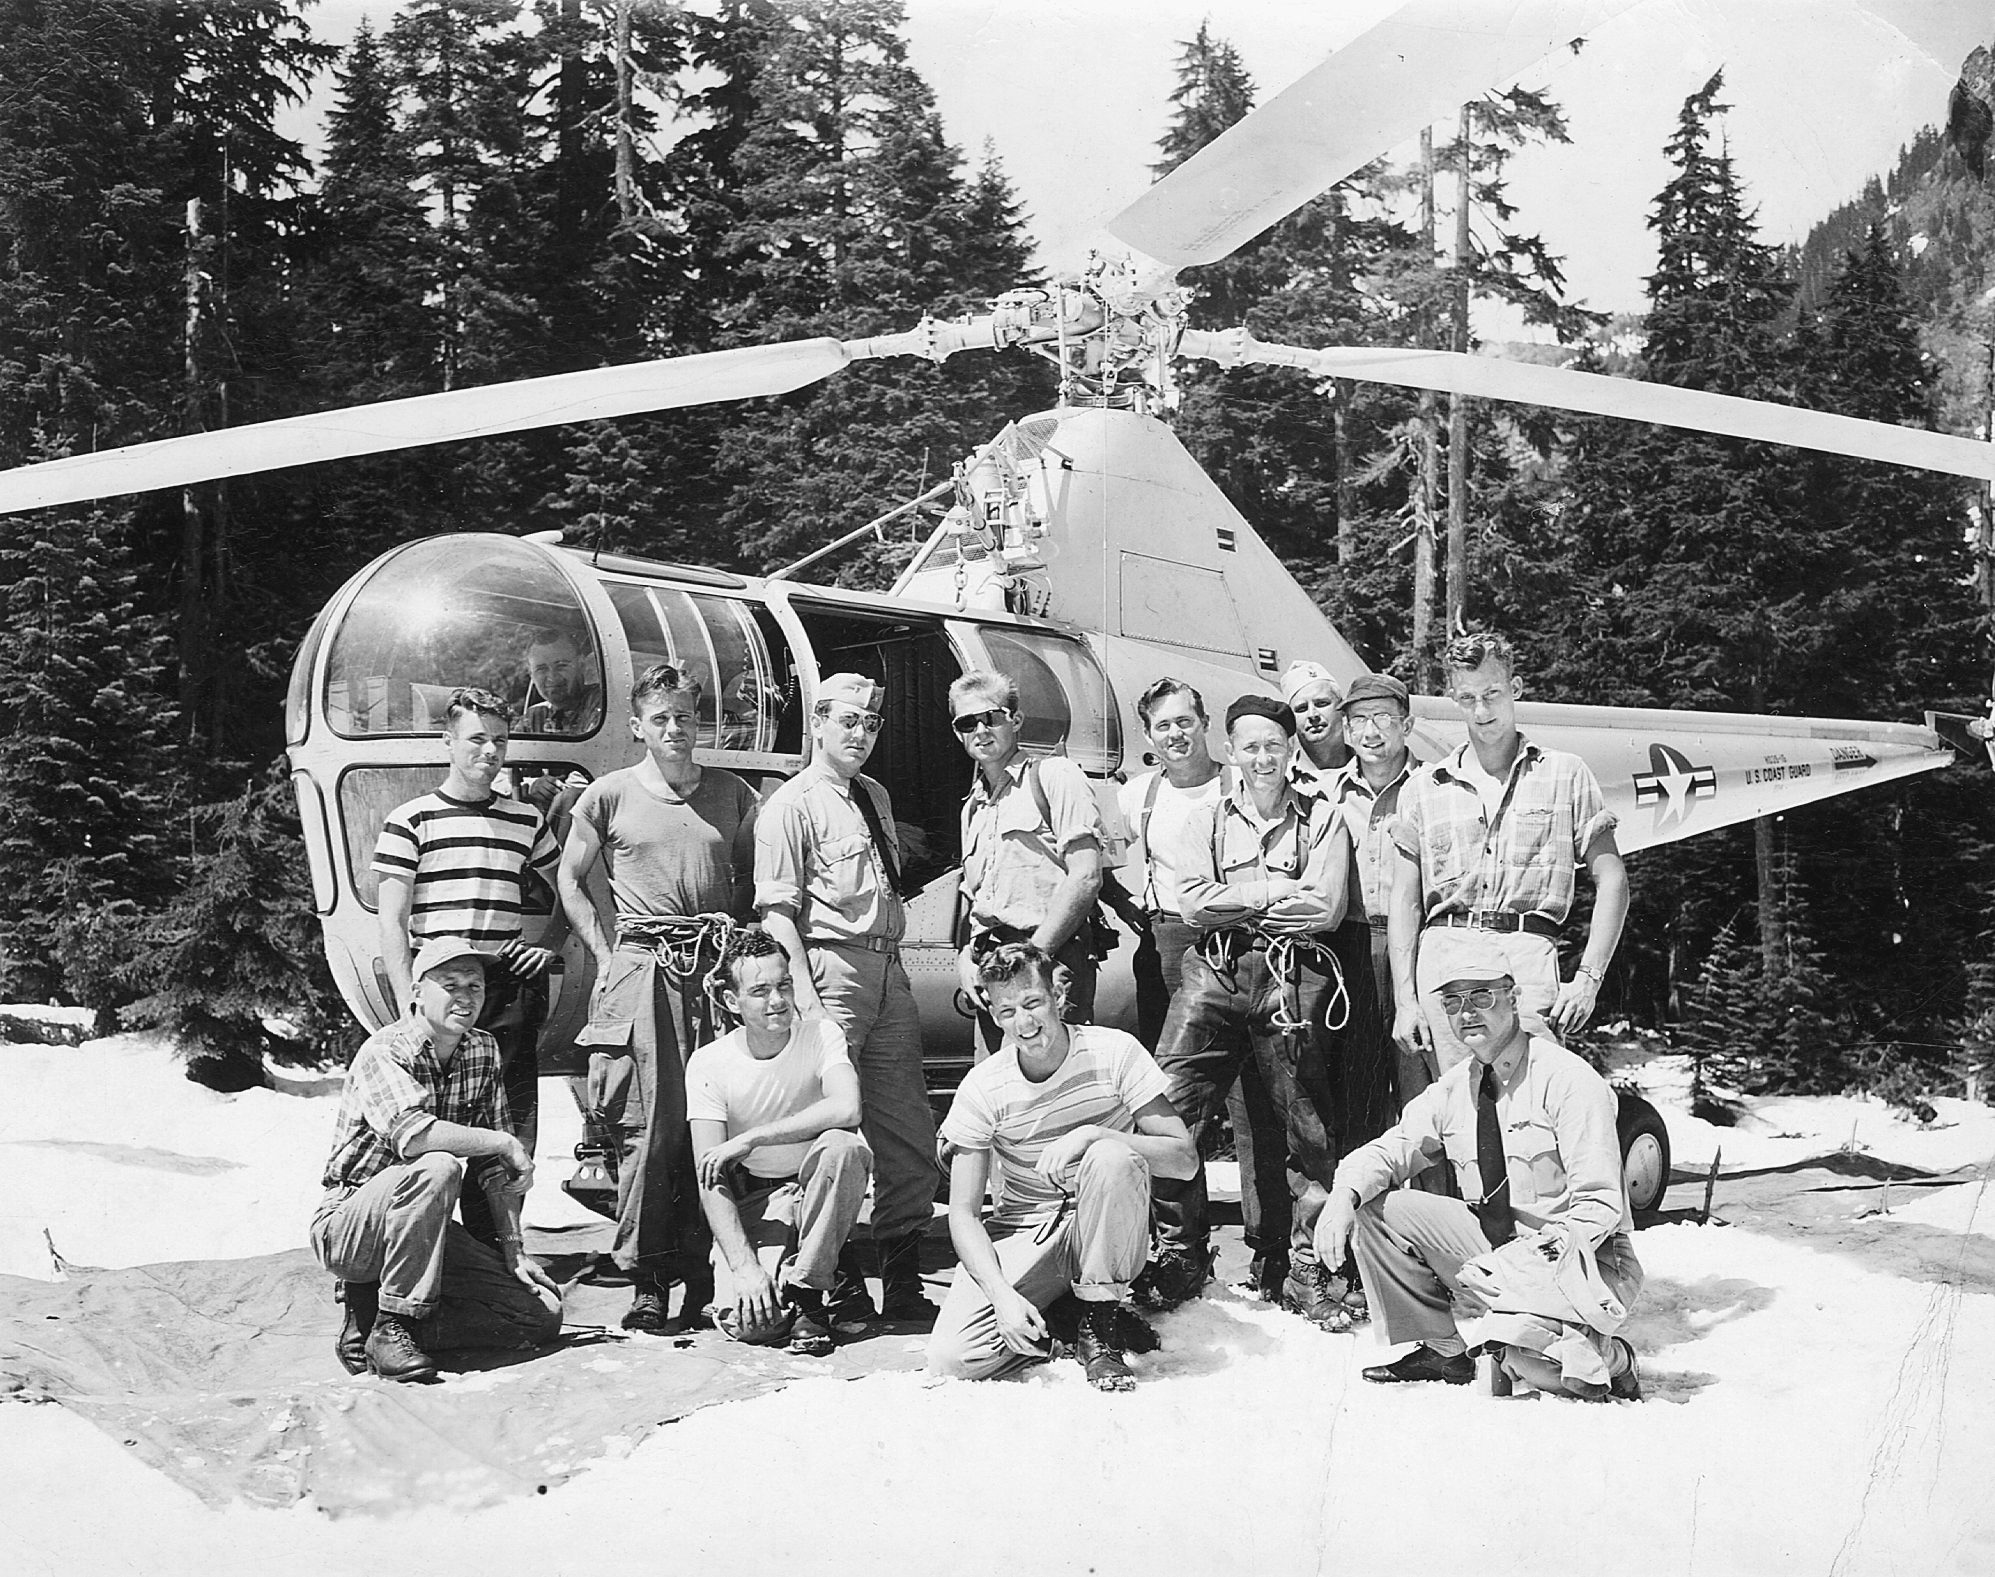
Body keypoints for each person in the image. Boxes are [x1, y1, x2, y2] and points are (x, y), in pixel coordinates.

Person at [1315, 930, 1643, 1399]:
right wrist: (1342, 1197)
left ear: (1513, 997)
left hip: (1579, 1260)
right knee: (1376, 1207)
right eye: (1452, 1001)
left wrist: (1522, 1265)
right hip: (1497, 1254)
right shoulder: (1456, 1087)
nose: (1467, 1012)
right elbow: (1393, 1148)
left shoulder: (1567, 1079)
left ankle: (1613, 1357)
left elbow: (1599, 1207)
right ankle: (1445, 1350)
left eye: (1481, 996)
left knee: (1537, 1368)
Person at [558, 663, 759, 1332]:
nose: (674, 729)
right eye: (661, 718)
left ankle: (705, 1274)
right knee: (645, 1126)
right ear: (637, 726)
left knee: (714, 1121)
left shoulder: (733, 794)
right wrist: (605, 952)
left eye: (685, 716)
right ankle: (647, 1279)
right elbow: (570, 879)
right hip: (642, 970)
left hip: (714, 973)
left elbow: (751, 883)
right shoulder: (608, 795)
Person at [1147, 693, 1355, 1327]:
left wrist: (1234, 897)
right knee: (1170, 1105)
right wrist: (1274, 890)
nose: (1263, 758)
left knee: (1305, 1122)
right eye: (1250, 746)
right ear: (1231, 752)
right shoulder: (1204, 821)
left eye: (1274, 745)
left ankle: (1308, 1265)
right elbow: (1190, 902)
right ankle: (1180, 1256)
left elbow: (1325, 907)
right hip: (1214, 970)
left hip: (1293, 975)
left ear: (1290, 751)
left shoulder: (1323, 819)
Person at [927, 942, 1198, 1392]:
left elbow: (1184, 1160)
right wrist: (1001, 1296)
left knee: (1111, 1157)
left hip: (1109, 1224)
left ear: (1058, 995)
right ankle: (1065, 1321)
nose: (1025, 1023)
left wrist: (1096, 1135)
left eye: (1033, 1002)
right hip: (1028, 1230)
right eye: (1008, 1011)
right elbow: (964, 1214)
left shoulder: (1114, 1051)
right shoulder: (983, 1086)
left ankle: (1101, 1325)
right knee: (955, 1358)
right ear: (994, 1016)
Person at [755, 672, 940, 1325]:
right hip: (830, 969)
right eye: (848, 720)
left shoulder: (874, 795)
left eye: (870, 722)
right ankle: (827, 1278)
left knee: (908, 1132)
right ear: (818, 723)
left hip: (888, 970)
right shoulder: (791, 805)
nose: (861, 733)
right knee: (832, 1127)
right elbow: (777, 915)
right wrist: (806, 999)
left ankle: (903, 1274)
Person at [1110, 676, 1290, 1301]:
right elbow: (1100, 861)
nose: (1176, 735)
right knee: (1171, 1099)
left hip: (1245, 942)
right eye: (1162, 725)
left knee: (1256, 1102)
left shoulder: (1239, 781)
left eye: (1185, 721)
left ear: (1206, 724)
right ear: (1148, 734)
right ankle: (1182, 1248)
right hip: (1169, 943)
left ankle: (1271, 1250)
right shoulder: (1139, 795)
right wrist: (1137, 913)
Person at [312, 937, 564, 1383]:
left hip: (423, 1227)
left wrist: (514, 1249)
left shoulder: (482, 1048)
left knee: (540, 1315)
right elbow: (413, 1137)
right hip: (350, 1227)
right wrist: (504, 1141)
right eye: (450, 985)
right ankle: (392, 1325)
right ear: (417, 992)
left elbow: (494, 1168)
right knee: (439, 1165)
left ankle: (374, 1324)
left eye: (475, 985)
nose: (465, 997)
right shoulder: (384, 1050)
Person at [1388, 629, 1629, 1074]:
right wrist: (1405, 1000)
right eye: (1467, 698)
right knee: (1456, 1105)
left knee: (1532, 1101)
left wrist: (1589, 979)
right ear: (1453, 699)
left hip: (1527, 962)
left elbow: (1612, 879)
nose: (1481, 711)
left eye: (1492, 694)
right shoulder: (1423, 788)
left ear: (1514, 688)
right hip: (1445, 962)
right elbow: (1404, 901)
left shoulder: (1565, 774)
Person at [372, 687, 564, 1222]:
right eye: (477, 738)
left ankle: (499, 1248)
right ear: (448, 741)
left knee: (510, 1121)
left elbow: (568, 887)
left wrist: (546, 946)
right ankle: (420, 1242)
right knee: (422, 1120)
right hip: (438, 987)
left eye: (500, 740)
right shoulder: (411, 820)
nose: (490, 751)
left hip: (504, 985)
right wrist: (409, 1001)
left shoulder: (525, 820)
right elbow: (391, 921)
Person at [687, 929, 873, 1358]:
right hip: (761, 1200)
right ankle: (830, 1276)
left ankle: (808, 1293)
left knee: (843, 1147)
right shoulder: (709, 1063)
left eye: (784, 985)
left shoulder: (821, 1035)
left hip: (818, 1192)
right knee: (751, 1324)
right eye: (760, 991)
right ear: (732, 1000)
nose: (777, 1000)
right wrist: (745, 1268)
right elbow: (708, 1176)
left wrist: (752, 1137)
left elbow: (847, 1107)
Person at [952, 668, 1106, 1055]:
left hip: (1048, 961)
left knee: (1056, 1075)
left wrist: (1034, 959)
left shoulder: (1054, 776)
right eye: (967, 723)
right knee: (998, 1080)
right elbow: (974, 899)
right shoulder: (973, 807)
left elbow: (1086, 875)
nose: (981, 730)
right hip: (992, 966)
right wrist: (965, 959)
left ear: (1016, 720)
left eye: (992, 717)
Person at [1325, 672, 1431, 1171]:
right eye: (1359, 720)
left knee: (1420, 1083)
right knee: (1358, 1086)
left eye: (1384, 718)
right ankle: (1365, 1207)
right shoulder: (1329, 794)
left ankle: (1436, 1205)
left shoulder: (1433, 788)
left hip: (1418, 943)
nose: (1371, 732)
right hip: (1350, 946)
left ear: (1406, 725)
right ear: (1346, 731)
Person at [1282, 660, 1350, 806]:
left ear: (1343, 709)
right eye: (1301, 708)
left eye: (1322, 703)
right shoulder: (1279, 783)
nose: (1312, 715)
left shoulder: (1373, 773)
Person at [518, 627, 604, 737]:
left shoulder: (601, 702)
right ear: (531, 674)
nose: (552, 677)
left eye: (561, 666)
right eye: (541, 669)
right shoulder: (534, 716)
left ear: (581, 665)